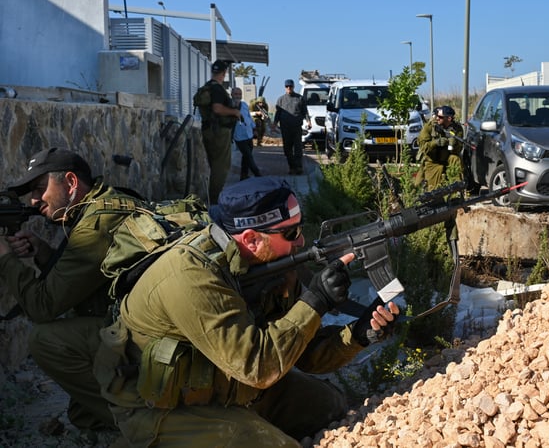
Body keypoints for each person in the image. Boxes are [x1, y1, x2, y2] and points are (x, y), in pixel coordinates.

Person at [95, 176, 400, 446]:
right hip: (163, 407)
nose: (302, 241)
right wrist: (315, 301)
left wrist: (358, 335)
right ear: (252, 239)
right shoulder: (189, 275)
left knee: (330, 405)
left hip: (224, 385)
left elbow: (303, 351)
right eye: (291, 234)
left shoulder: (269, 266)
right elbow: (258, 367)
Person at [0, 147, 147, 431]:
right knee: (84, 415)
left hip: (153, 340)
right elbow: (86, 278)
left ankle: (146, 423)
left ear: (70, 182)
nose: (33, 200)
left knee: (45, 340)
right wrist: (43, 252)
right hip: (147, 326)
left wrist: (5, 258)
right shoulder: (107, 204)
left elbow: (42, 307)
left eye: (40, 188)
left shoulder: (96, 225)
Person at [415, 106, 465, 262]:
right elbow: (423, 147)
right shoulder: (429, 127)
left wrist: (452, 142)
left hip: (448, 158)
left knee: (456, 160)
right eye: (436, 116)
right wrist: (436, 142)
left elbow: (458, 149)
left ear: (449, 118)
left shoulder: (456, 128)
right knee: (435, 193)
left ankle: (457, 191)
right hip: (433, 161)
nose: (437, 118)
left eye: (440, 117)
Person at [199, 59, 241, 204]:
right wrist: (234, 111)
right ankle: (215, 201)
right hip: (219, 132)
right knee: (220, 167)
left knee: (215, 165)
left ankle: (214, 198)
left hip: (209, 130)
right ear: (224, 73)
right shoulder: (217, 89)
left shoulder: (207, 86)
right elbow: (217, 108)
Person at [273, 79, 311, 175]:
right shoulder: (280, 100)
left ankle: (299, 167)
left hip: (296, 127)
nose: (289, 88)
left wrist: (308, 121)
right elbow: (277, 113)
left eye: (290, 86)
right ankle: (292, 167)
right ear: (285, 87)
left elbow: (305, 112)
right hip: (285, 128)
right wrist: (274, 124)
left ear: (293, 87)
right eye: (287, 86)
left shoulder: (300, 98)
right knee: (287, 149)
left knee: (298, 148)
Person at [231, 87, 262, 181]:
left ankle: (243, 175)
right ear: (232, 95)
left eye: (239, 94)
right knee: (248, 156)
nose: (238, 96)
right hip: (239, 136)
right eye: (236, 94)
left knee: (246, 157)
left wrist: (254, 128)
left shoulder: (244, 104)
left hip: (248, 134)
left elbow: (249, 117)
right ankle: (258, 175)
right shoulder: (229, 106)